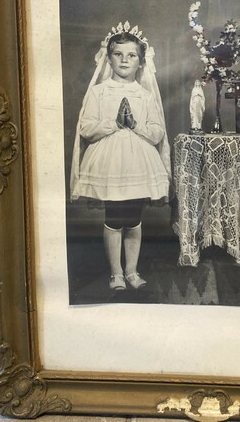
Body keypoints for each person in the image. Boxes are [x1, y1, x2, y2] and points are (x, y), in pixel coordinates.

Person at [70, 21, 171, 291]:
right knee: (114, 217)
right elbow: (87, 128)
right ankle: (115, 273)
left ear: (140, 61)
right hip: (110, 162)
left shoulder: (145, 95)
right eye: (118, 54)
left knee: (134, 218)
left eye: (131, 55)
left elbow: (157, 132)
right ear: (109, 57)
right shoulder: (99, 91)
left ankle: (132, 271)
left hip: (138, 162)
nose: (125, 60)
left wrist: (135, 125)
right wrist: (115, 123)